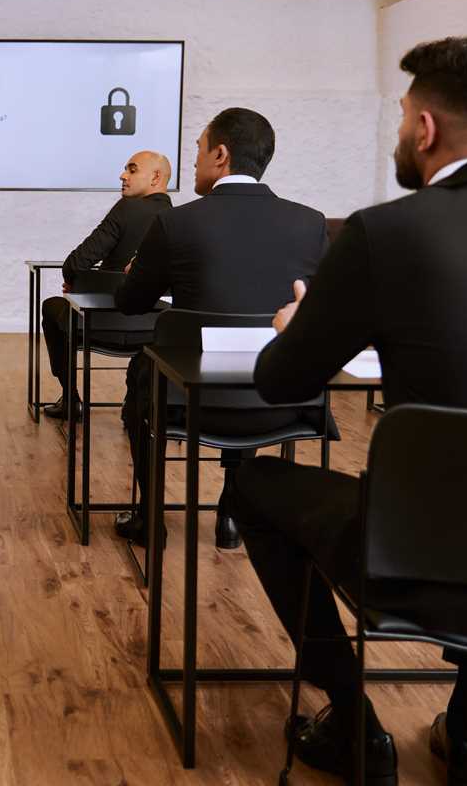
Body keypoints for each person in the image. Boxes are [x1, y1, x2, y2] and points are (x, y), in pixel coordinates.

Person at [232, 36, 467, 786]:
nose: (399, 135)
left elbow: (282, 386)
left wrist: (294, 328)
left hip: (419, 565)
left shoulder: (385, 234)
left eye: (400, 120)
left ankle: (354, 724)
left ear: (424, 129)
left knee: (252, 486)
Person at [114, 108, 329, 549]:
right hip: (284, 401)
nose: (192, 162)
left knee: (146, 371)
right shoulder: (310, 224)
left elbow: (129, 303)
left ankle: (150, 517)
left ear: (221, 155)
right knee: (249, 351)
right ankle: (230, 515)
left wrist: (151, 274)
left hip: (186, 401)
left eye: (197, 150)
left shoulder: (176, 222)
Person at [40, 150, 173, 419]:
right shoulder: (179, 218)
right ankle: (136, 405)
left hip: (104, 324)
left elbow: (75, 264)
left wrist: (80, 287)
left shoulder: (127, 209)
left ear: (156, 176)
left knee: (50, 308)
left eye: (132, 170)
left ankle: (71, 399)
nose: (122, 175)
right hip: (156, 331)